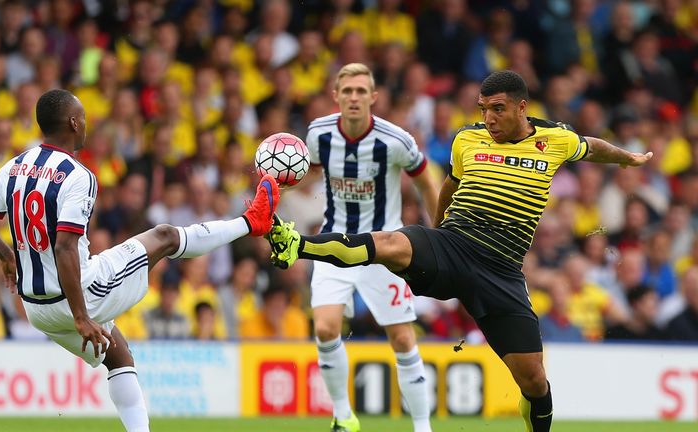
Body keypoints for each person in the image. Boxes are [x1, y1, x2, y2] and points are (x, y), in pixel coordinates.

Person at [268, 70, 652, 432]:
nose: (489, 118)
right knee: (390, 242)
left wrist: (627, 158)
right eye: (483, 109)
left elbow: (592, 147)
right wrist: (436, 233)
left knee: (534, 380)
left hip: (502, 271)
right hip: (454, 243)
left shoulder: (556, 139)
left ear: (522, 107)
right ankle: (295, 244)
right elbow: (449, 189)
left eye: (497, 109)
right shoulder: (467, 139)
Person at [0, 89, 280, 432]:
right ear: (73, 122)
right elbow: (65, 248)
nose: (85, 123)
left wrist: (7, 254)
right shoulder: (78, 175)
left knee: (118, 357)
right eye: (82, 117)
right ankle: (252, 222)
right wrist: (82, 316)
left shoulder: (14, 167)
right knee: (164, 237)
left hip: (37, 309)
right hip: (82, 295)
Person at [293, 63, 438, 432]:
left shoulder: (395, 140)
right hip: (333, 244)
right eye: (348, 91)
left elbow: (423, 179)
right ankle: (343, 417)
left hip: (383, 250)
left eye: (361, 91)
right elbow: (307, 170)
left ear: (373, 97)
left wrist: (440, 225)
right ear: (336, 96)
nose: (354, 98)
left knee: (403, 337)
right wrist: (276, 184)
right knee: (325, 329)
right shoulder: (318, 134)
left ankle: (422, 426)